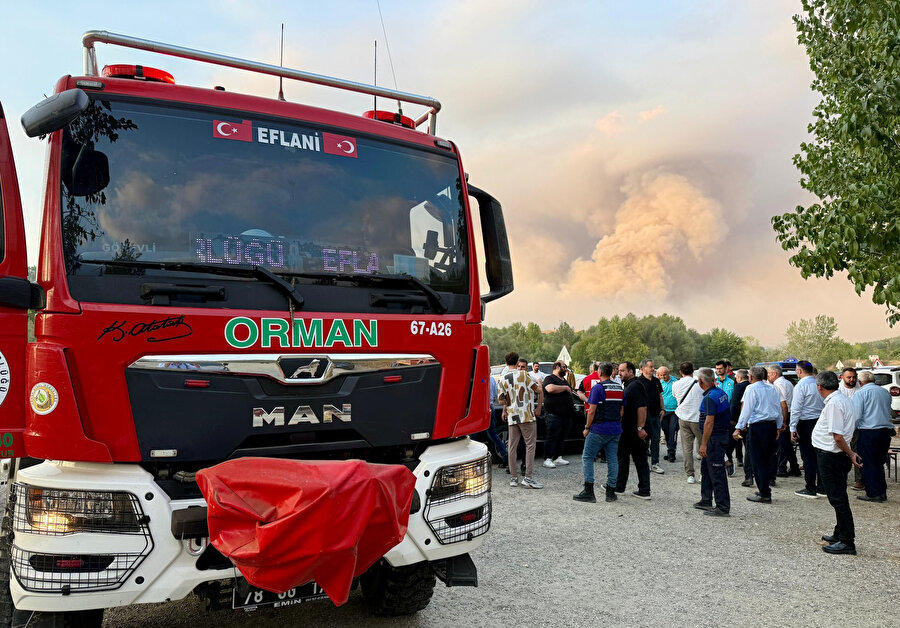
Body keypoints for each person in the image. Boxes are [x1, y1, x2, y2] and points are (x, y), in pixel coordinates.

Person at [813, 370, 861, 555]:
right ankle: (840, 532)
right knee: (838, 497)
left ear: (819, 387)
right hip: (833, 455)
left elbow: (838, 436)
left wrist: (850, 454)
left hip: (832, 456)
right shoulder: (842, 399)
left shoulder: (834, 404)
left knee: (838, 499)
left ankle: (847, 541)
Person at [573, 362, 623, 503]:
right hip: (615, 428)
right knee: (612, 459)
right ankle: (610, 492)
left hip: (599, 429)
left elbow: (592, 410)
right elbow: (621, 410)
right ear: (611, 372)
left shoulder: (598, 388)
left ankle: (589, 491)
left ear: (600, 373)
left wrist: (587, 427)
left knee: (587, 457)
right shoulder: (619, 388)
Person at [734, 366, 783, 503]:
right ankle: (765, 486)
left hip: (758, 426)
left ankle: (764, 492)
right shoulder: (773, 388)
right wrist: (779, 426)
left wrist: (738, 427)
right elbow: (778, 408)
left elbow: (747, 410)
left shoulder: (751, 389)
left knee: (757, 460)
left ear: (750, 377)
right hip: (771, 425)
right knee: (768, 458)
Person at [497, 352, 544, 489]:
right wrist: (539, 383)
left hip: (513, 416)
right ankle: (528, 478)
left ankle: (513, 478)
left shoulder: (503, 378)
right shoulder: (524, 375)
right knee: (530, 446)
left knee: (512, 447)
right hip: (526, 415)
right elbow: (537, 390)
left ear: (506, 363)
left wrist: (509, 402)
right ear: (517, 362)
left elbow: (501, 400)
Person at [694, 368, 732, 517]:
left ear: (700, 382)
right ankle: (706, 499)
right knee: (706, 469)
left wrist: (703, 444)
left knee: (716, 472)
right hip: (719, 436)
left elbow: (709, 422)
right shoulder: (720, 393)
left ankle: (722, 507)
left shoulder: (710, 398)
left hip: (714, 439)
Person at [853, 370, 893, 502]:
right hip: (885, 431)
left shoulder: (860, 393)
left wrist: (851, 429)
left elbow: (857, 415)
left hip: (869, 431)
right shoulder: (884, 392)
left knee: (868, 462)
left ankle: (873, 492)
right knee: (879, 462)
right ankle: (881, 492)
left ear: (860, 382)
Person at [614, 362, 652, 499]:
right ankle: (621, 487)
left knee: (637, 459)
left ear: (631, 372)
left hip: (634, 430)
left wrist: (640, 428)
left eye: (622, 371)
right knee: (625, 458)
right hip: (629, 429)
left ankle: (642, 490)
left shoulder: (635, 386)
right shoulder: (629, 385)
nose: (619, 373)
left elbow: (642, 407)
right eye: (619, 370)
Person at [790, 360, 825, 498]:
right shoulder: (819, 384)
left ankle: (810, 487)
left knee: (808, 456)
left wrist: (793, 427)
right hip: (820, 421)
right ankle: (822, 487)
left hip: (805, 423)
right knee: (819, 454)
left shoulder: (800, 386)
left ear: (799, 371)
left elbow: (796, 408)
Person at [673, 362, 703, 484]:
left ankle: (690, 474)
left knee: (687, 448)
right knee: (703, 447)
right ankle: (703, 473)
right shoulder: (699, 383)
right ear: (693, 370)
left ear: (680, 372)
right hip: (698, 418)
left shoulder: (676, 384)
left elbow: (676, 397)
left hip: (683, 417)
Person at [541, 362, 575, 468]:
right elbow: (550, 388)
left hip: (565, 415)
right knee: (551, 437)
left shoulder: (564, 380)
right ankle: (547, 458)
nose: (565, 369)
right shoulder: (550, 378)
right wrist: (565, 388)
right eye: (564, 367)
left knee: (561, 437)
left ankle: (557, 457)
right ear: (557, 367)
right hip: (553, 414)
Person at [768, 364, 799, 478]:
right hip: (787, 413)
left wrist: (783, 421)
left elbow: (783, 404)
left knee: (782, 443)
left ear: (774, 374)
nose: (768, 376)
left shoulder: (779, 384)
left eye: (769, 373)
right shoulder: (787, 382)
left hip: (784, 414)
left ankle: (782, 468)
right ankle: (794, 467)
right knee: (786, 444)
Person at [637, 359, 665, 474]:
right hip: (644, 415)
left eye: (653, 366)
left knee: (656, 439)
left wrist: (663, 409)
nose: (653, 369)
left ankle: (655, 463)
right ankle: (644, 463)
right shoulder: (639, 382)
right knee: (644, 439)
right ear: (643, 368)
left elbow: (660, 396)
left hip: (655, 414)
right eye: (651, 367)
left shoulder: (656, 381)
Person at [482, 366, 508, 469]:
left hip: (483, 409)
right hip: (490, 407)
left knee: (473, 436)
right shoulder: (492, 379)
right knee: (493, 434)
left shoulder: (482, 379)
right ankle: (505, 456)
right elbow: (496, 396)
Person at [728, 369, 750, 481]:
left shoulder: (739, 387)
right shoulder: (751, 386)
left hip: (738, 420)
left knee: (731, 442)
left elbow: (735, 403)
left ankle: (729, 463)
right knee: (748, 445)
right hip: (749, 421)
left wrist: (732, 418)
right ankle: (749, 468)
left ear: (739, 378)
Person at [657, 366, 679, 463]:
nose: (663, 377)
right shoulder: (659, 383)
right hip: (664, 411)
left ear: (668, 373)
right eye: (661, 375)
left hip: (674, 411)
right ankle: (669, 449)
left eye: (664, 374)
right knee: (666, 431)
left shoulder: (675, 382)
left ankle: (671, 452)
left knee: (673, 431)